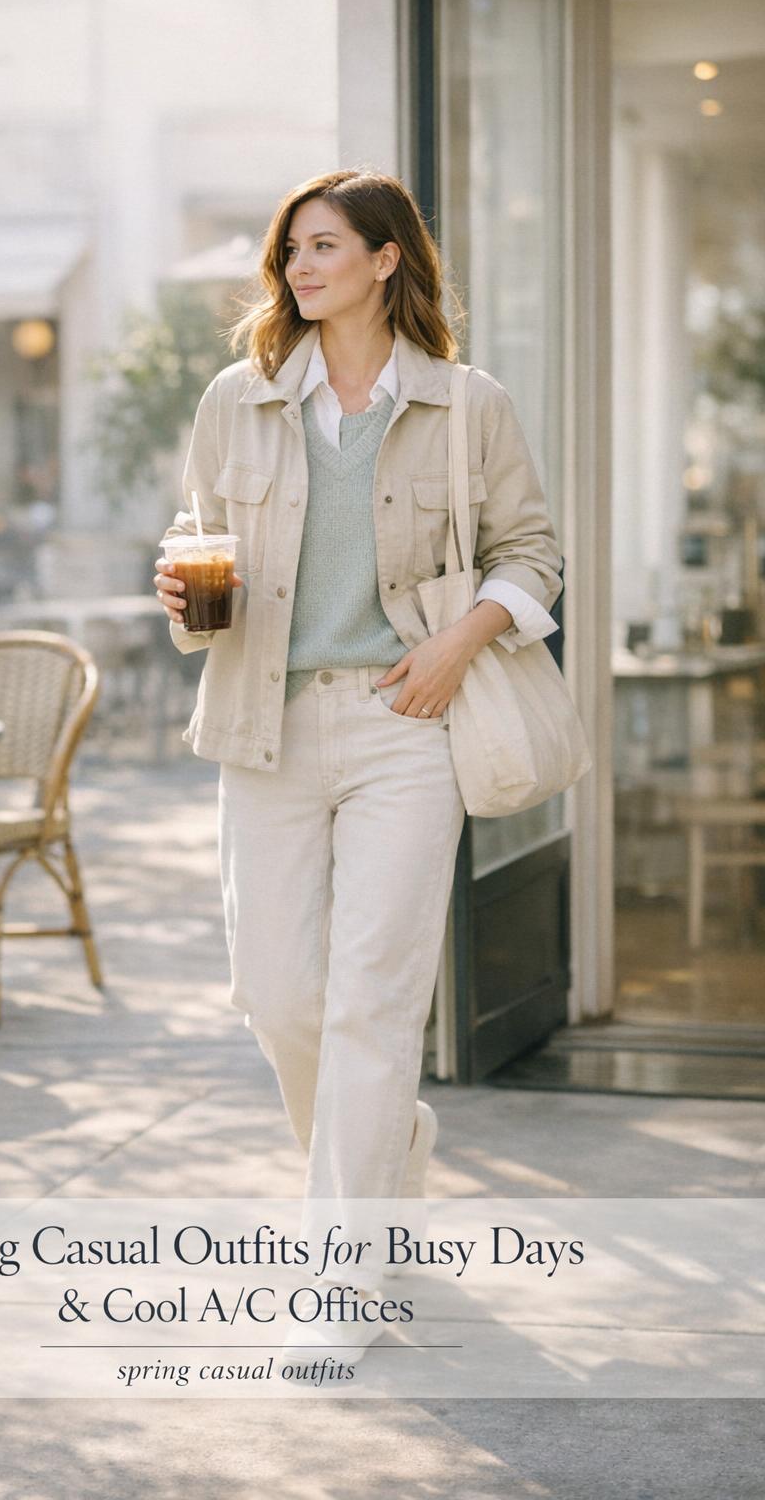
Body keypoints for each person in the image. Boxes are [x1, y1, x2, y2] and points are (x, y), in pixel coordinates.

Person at [153, 169, 563, 1361]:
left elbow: (530, 553)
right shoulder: (239, 398)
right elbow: (195, 544)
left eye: (324, 247)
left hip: (404, 723)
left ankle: (344, 1282)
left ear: (387, 260)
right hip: (264, 723)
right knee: (278, 997)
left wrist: (454, 644)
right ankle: (391, 1156)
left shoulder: (462, 402)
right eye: (291, 252)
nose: (299, 268)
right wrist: (180, 587)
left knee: (372, 1005)